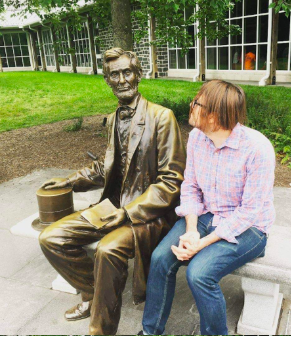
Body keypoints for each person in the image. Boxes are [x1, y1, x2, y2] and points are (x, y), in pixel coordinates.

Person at [38, 47, 186, 335]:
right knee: (50, 237)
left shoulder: (162, 117)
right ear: (107, 80)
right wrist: (69, 181)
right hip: (111, 206)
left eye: (127, 72)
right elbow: (105, 168)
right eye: (114, 74)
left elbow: (171, 182)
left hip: (146, 215)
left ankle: (100, 329)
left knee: (107, 249)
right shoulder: (115, 118)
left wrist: (128, 213)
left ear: (138, 75)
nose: (121, 80)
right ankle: (97, 297)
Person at [140, 80, 276, 336]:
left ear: (216, 115)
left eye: (197, 103)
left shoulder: (257, 149)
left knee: (199, 274)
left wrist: (201, 244)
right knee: (160, 259)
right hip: (206, 215)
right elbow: (190, 187)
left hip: (250, 227)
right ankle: (150, 331)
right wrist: (191, 230)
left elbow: (249, 211)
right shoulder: (196, 138)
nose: (191, 106)